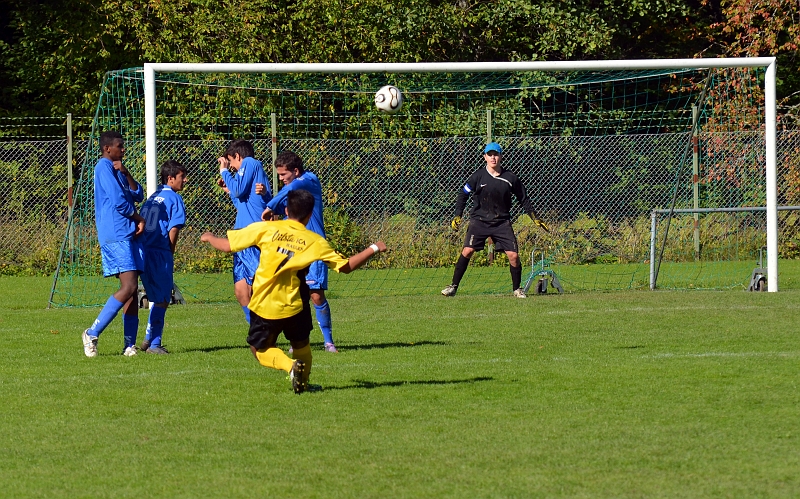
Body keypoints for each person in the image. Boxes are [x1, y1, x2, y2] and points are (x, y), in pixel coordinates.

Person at [200, 189, 387, 394]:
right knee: (301, 345)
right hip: (295, 305)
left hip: (264, 304)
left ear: (287, 210)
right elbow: (346, 266)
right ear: (309, 215)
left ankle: (290, 367)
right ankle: (303, 383)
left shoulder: (267, 229)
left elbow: (228, 246)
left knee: (259, 350)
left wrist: (210, 237)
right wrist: (374, 248)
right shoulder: (315, 241)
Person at [441, 141, 549, 299]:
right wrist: (458, 214)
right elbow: (463, 194)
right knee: (467, 250)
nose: (493, 157)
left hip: (501, 222)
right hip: (479, 221)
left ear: (501, 156)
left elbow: (523, 198)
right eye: (489, 154)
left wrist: (535, 217)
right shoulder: (477, 176)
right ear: (484, 157)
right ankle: (453, 287)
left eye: (496, 154)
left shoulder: (510, 178)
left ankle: (517, 289)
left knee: (513, 256)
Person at [261, 151, 338, 353]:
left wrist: (269, 205)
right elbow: (282, 211)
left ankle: (329, 341)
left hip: (313, 247)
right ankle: (299, 342)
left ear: (295, 171)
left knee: (316, 295)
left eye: (283, 175)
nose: (281, 179)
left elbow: (290, 190)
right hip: (294, 248)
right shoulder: (290, 192)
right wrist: (267, 199)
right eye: (278, 175)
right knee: (293, 294)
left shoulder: (309, 180)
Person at [81, 130, 146, 357]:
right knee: (128, 286)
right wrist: (137, 218)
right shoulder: (103, 167)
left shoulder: (117, 170)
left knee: (132, 290)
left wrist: (126, 173)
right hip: (117, 233)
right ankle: (91, 332)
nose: (123, 149)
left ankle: (129, 345)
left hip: (128, 233)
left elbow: (138, 194)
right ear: (108, 148)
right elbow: (119, 202)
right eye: (120, 145)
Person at [216, 139, 271, 325]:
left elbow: (239, 190)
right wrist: (228, 189)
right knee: (241, 292)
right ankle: (257, 329)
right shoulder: (250, 173)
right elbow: (241, 202)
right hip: (241, 233)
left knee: (261, 285)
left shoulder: (251, 163)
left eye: (231, 161)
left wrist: (224, 171)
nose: (230, 166)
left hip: (252, 232)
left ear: (238, 156)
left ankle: (272, 323)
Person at [138, 160, 188, 354]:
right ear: (170, 178)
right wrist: (170, 250)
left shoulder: (152, 197)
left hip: (144, 250)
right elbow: (173, 229)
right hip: (160, 251)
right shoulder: (174, 198)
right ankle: (154, 344)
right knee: (163, 298)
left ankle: (148, 339)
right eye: (182, 177)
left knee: (157, 296)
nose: (184, 180)